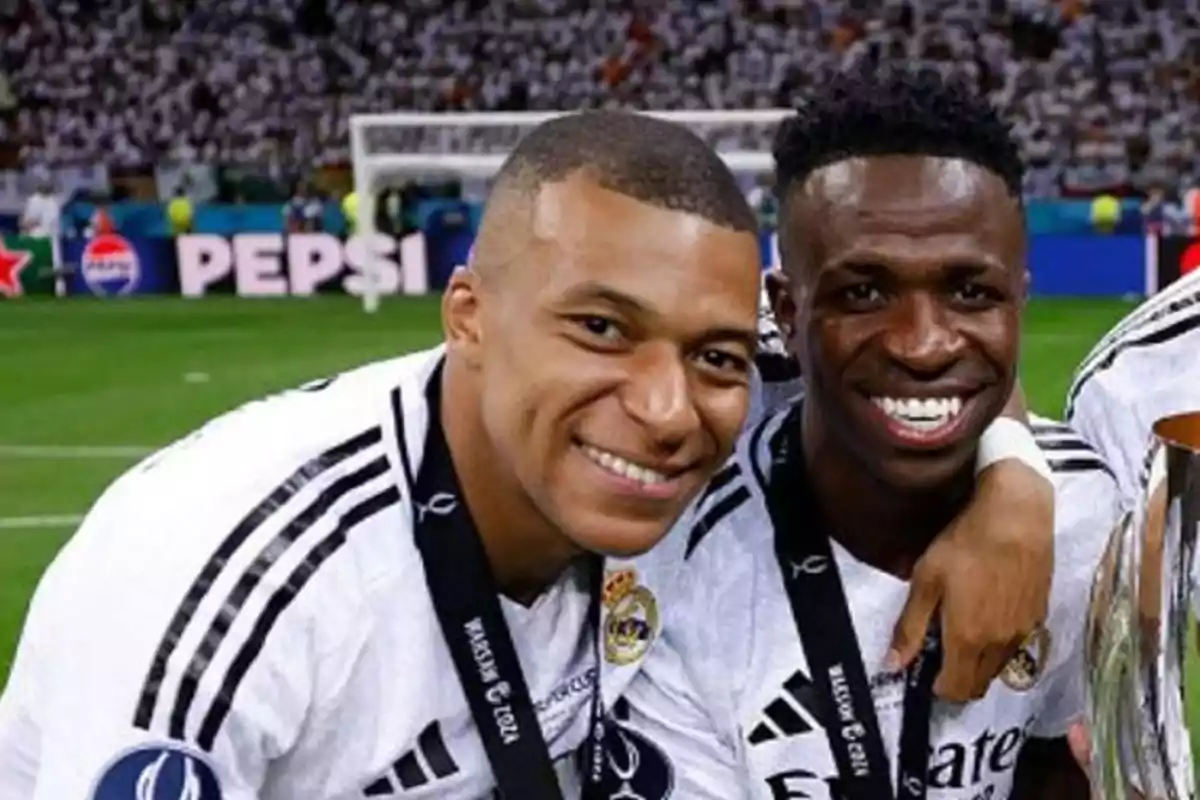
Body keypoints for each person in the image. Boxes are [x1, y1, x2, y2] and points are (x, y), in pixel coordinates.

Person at [0, 108, 1052, 800]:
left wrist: (1016, 480)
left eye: (716, 354)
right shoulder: (242, 577)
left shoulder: (716, 388)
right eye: (599, 327)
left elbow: (924, 368)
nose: (663, 405)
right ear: (469, 315)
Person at [598, 67, 1116, 800]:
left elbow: (1053, 758)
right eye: (863, 292)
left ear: (1019, 299)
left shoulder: (1086, 515)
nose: (923, 344)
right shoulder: (682, 569)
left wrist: (1017, 475)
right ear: (785, 310)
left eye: (971, 291)